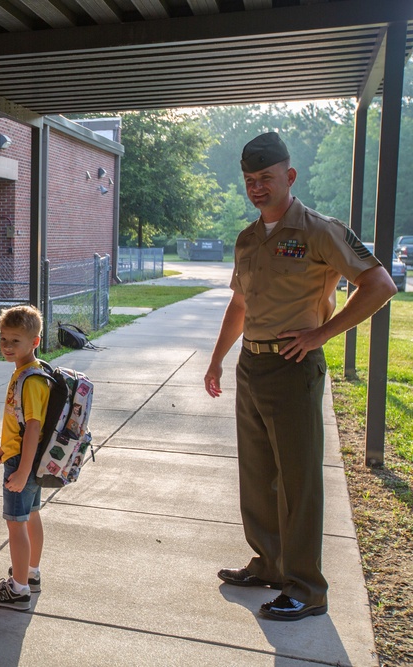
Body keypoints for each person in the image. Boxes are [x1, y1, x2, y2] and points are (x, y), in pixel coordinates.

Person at [204, 132, 397, 622]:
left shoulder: (319, 230)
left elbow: (379, 284)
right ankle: (269, 564)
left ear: (289, 176)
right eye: (250, 180)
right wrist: (217, 359)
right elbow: (240, 304)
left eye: (265, 178)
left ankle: (307, 587)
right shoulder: (247, 238)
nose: (257, 187)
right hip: (251, 364)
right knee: (258, 476)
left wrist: (323, 334)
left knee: (299, 481)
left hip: (293, 368)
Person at [0, 305, 48, 611]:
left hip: (24, 461)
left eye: (15, 341)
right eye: (4, 339)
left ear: (34, 342)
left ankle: (19, 589)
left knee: (16, 524)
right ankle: (30, 574)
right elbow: (20, 422)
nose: (7, 346)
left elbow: (33, 428)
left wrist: (21, 470)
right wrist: (4, 448)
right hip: (21, 456)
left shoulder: (31, 380)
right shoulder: (26, 373)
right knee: (31, 516)